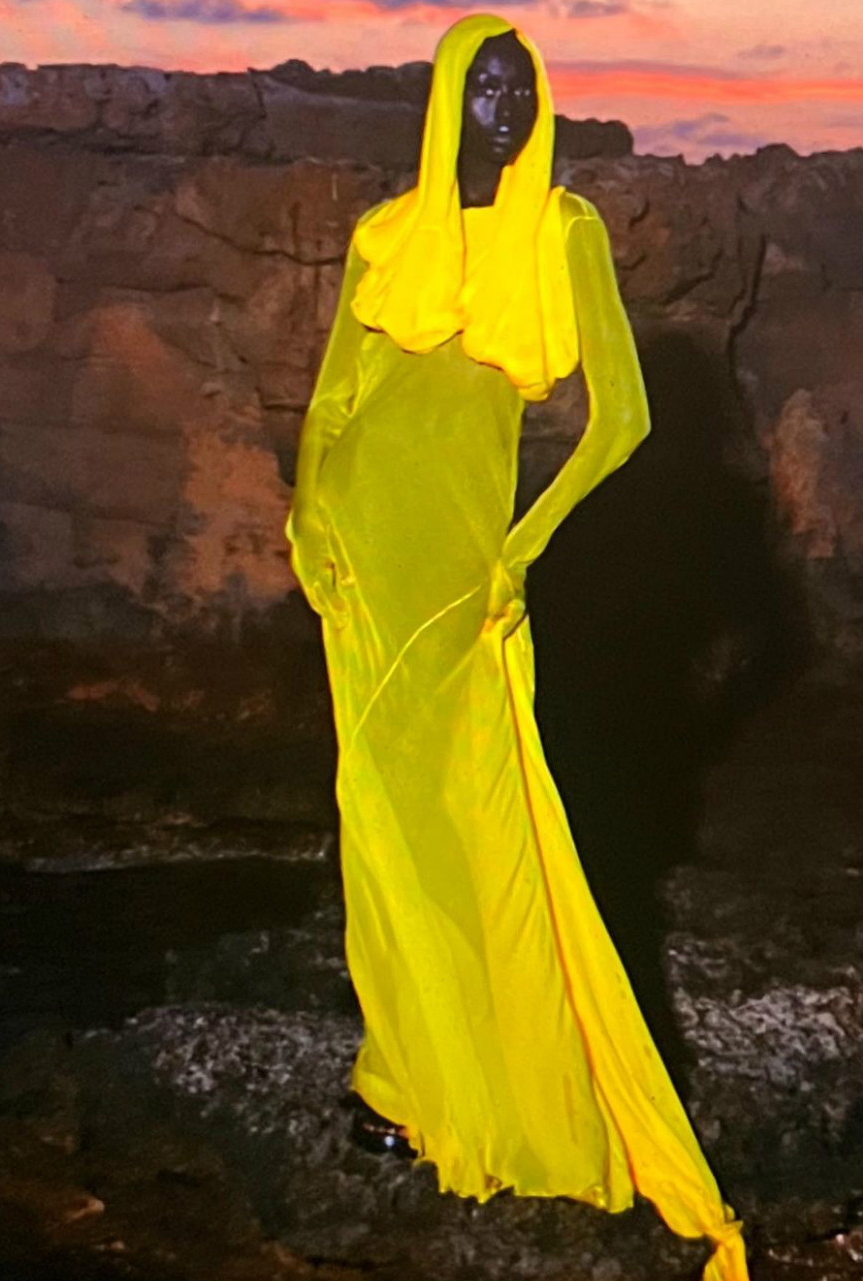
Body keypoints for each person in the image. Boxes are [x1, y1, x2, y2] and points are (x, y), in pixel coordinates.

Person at [285, 13, 749, 1281]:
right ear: (447, 97)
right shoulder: (389, 233)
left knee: (478, 822)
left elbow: (624, 421)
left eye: (522, 86)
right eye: (484, 85)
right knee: (381, 820)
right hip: (363, 555)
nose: (506, 105)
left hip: (466, 570)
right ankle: (399, 1079)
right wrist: (308, 518)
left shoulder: (563, 230)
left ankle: (505, 1089)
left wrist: (522, 550)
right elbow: (335, 400)